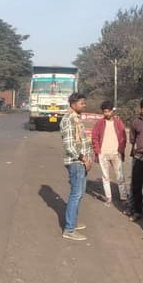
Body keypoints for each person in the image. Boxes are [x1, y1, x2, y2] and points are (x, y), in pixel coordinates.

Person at [60, 92, 93, 241]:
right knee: (76, 194)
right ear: (73, 104)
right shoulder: (68, 119)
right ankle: (69, 229)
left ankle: (72, 221)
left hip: (81, 162)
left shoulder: (76, 118)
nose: (84, 105)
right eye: (81, 103)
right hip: (76, 162)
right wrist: (84, 159)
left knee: (79, 193)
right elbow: (69, 146)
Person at [91, 100, 128, 206]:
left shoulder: (118, 122)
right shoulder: (99, 123)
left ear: (112, 111)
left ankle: (123, 197)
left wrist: (121, 149)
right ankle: (108, 198)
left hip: (116, 153)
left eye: (108, 111)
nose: (106, 113)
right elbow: (94, 137)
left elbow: (123, 137)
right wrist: (98, 151)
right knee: (105, 177)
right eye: (104, 112)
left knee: (120, 176)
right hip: (103, 154)